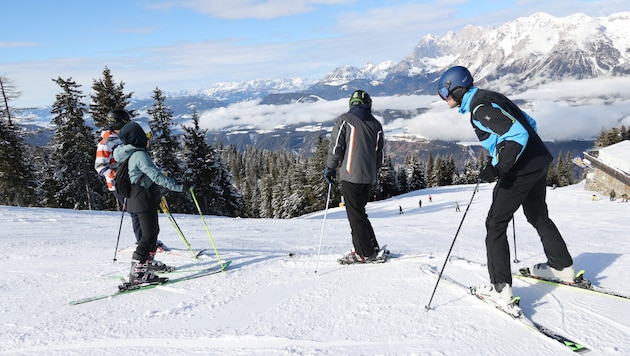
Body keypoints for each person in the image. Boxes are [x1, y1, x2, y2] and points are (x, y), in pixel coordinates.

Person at [437, 66, 576, 309]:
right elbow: (529, 122)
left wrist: (500, 167)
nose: (444, 98)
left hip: (521, 169)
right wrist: (501, 158)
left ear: (457, 89)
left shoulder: (479, 108)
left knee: (495, 224)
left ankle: (500, 289)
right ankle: (562, 268)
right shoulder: (492, 96)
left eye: (444, 92)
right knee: (538, 216)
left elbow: (517, 134)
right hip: (539, 160)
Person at [113, 121, 187, 286]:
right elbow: (156, 176)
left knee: (152, 233)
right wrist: (180, 187)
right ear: (138, 138)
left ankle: (146, 264)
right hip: (143, 199)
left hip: (134, 198)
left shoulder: (127, 152)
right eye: (146, 136)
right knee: (148, 236)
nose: (149, 139)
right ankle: (138, 272)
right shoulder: (139, 155)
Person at [324, 90, 384, 264]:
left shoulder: (345, 120)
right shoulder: (376, 125)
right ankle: (371, 247)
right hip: (368, 177)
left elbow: (336, 147)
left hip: (351, 174)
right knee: (360, 212)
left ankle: (363, 253)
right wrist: (373, 170)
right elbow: (379, 154)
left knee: (355, 215)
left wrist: (330, 168)